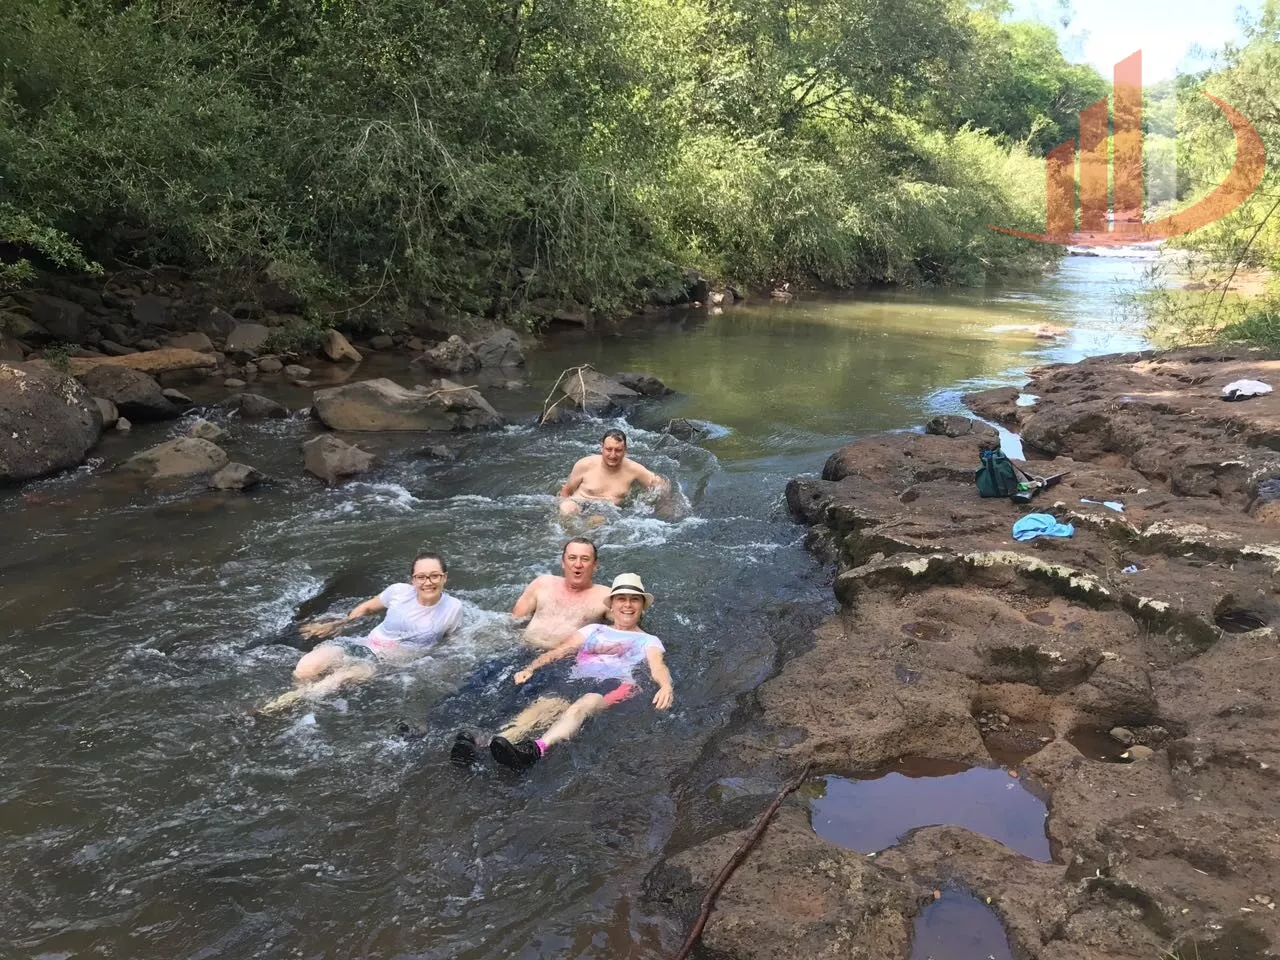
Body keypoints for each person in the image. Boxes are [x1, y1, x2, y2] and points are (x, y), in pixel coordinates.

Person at [487, 573, 674, 770]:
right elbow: (561, 650)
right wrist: (531, 668)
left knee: (582, 706)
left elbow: (658, 666)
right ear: (612, 605)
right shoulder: (593, 629)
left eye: (634, 599)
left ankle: (536, 749)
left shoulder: (649, 640)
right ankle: (494, 743)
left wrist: (666, 686)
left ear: (642, 606)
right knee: (542, 707)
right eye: (621, 599)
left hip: (615, 683)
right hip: (578, 678)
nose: (627, 605)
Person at [448, 538, 610, 764]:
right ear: (563, 562)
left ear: (595, 565)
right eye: (572, 558)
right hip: (521, 650)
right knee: (476, 683)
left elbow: (626, 627)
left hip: (559, 661)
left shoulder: (606, 597)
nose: (578, 564)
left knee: (524, 698)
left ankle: (485, 740)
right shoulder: (543, 584)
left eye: (585, 559)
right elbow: (513, 621)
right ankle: (430, 728)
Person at [259, 552, 463, 714]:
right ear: (413, 580)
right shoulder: (399, 592)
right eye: (421, 577)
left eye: (434, 576)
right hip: (363, 644)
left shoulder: (453, 608)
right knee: (306, 667)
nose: (428, 582)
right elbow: (367, 608)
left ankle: (278, 707)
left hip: (385, 664)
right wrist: (342, 622)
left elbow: (453, 643)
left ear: (444, 577)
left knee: (334, 681)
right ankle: (296, 706)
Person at [557, 429, 670, 517]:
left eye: (618, 450)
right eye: (609, 449)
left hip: (605, 512)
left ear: (625, 450)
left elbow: (659, 484)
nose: (612, 455)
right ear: (602, 448)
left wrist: (665, 505)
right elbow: (567, 490)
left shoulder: (634, 469)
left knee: (597, 520)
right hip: (579, 502)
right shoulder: (585, 464)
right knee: (567, 509)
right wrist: (560, 505)